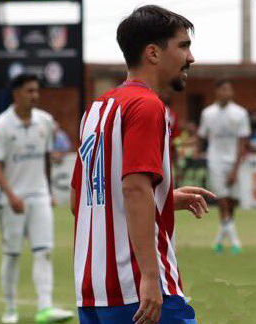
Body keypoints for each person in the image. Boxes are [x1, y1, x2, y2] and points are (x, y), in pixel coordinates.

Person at [71, 6, 214, 324]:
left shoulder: (97, 110)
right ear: (153, 53)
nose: (190, 57)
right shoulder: (147, 105)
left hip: (94, 289)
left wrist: (165, 199)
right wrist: (150, 276)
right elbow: (134, 187)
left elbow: (79, 199)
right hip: (138, 288)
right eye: (183, 46)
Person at [0, 74, 74, 323]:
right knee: (12, 255)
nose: (35, 95)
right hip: (11, 200)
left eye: (36, 91)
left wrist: (47, 191)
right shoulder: (1, 126)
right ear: (16, 93)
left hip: (39, 197)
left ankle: (45, 308)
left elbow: (46, 158)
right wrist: (11, 195)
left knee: (44, 252)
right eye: (29, 91)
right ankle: (10, 309)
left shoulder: (44, 121)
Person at [198, 78, 251, 254]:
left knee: (232, 201)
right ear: (217, 92)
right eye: (224, 90)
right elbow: (202, 135)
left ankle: (219, 240)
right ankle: (236, 241)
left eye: (229, 90)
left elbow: (243, 142)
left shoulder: (240, 113)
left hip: (234, 161)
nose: (227, 93)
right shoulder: (207, 113)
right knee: (222, 199)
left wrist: (236, 169)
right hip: (215, 160)